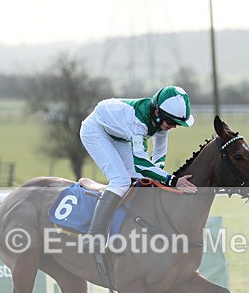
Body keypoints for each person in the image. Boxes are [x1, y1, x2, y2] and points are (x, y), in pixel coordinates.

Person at [79, 85, 198, 251]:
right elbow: (141, 163)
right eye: (171, 122)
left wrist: (158, 178)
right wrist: (173, 181)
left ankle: (130, 228)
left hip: (120, 135)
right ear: (157, 113)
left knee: (142, 181)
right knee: (121, 181)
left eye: (177, 124)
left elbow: (158, 155)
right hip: (95, 131)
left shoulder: (161, 122)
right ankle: (94, 235)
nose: (173, 126)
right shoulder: (138, 122)